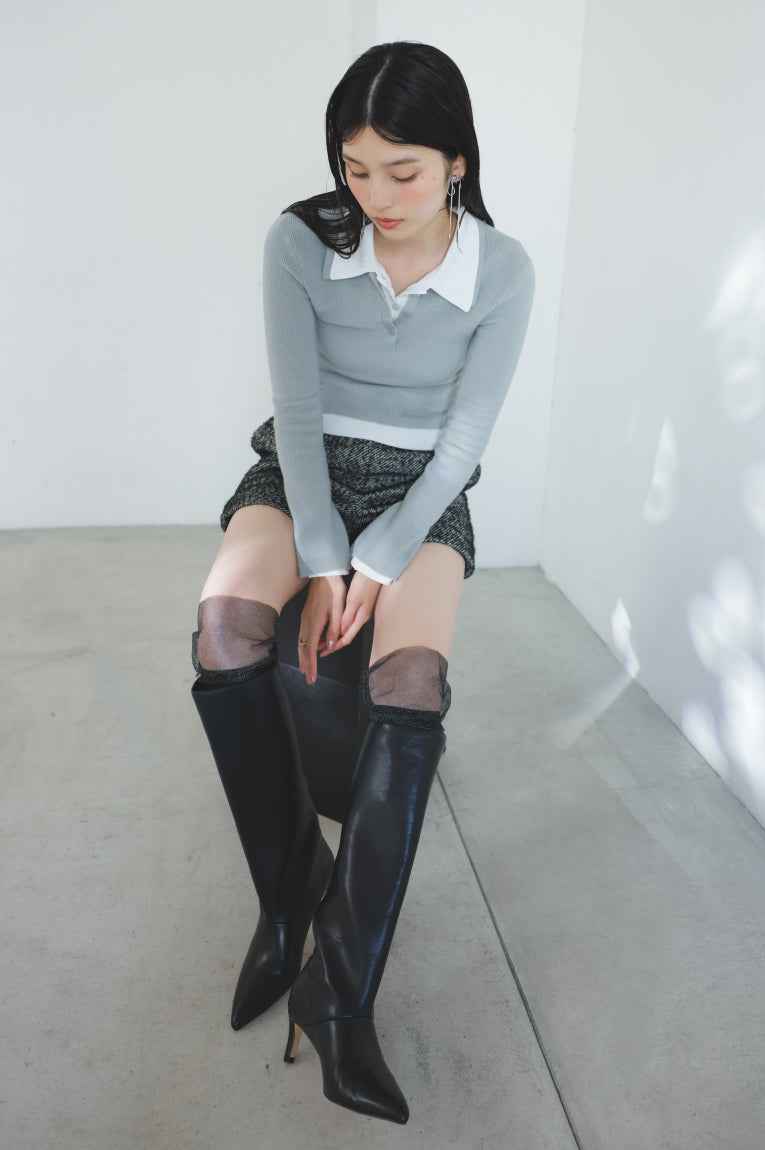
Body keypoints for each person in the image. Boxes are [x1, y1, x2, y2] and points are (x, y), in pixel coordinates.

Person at [190, 40, 535, 1126]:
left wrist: (379, 561)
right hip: (307, 471)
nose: (377, 195)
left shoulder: (502, 271)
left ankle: (339, 993)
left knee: (409, 684)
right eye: (355, 167)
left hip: (422, 492)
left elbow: (463, 444)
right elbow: (296, 414)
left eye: (404, 170)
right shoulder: (300, 241)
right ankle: (288, 893)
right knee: (226, 630)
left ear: (458, 162)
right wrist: (324, 555)